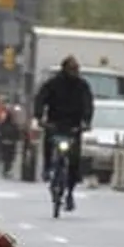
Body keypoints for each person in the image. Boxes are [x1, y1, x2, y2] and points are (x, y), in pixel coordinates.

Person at [33, 56, 94, 211]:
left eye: (76, 69)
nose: (74, 72)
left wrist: (86, 121)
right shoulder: (53, 84)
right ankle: (48, 169)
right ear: (64, 69)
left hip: (73, 127)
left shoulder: (82, 86)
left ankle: (70, 193)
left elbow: (88, 104)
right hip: (55, 124)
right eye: (72, 69)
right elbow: (41, 99)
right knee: (49, 143)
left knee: (74, 160)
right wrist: (39, 117)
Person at [0, 108, 21, 178]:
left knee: (7, 158)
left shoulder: (3, 125)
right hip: (8, 144)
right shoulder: (12, 125)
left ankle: (6, 170)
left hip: (6, 143)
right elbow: (17, 135)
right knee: (8, 158)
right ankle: (6, 170)